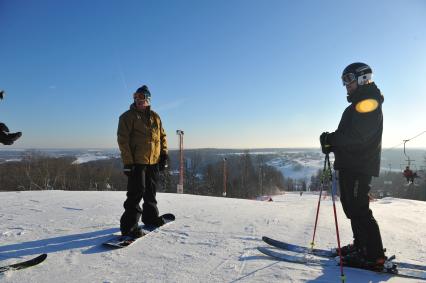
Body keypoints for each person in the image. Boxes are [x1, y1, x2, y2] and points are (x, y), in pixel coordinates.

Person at [320, 63, 386, 270]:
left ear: (363, 78)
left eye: (348, 79)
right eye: (343, 81)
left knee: (359, 209)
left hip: (359, 165)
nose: (345, 85)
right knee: (351, 208)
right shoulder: (358, 104)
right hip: (351, 164)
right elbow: (350, 135)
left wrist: (332, 139)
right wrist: (331, 142)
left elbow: (357, 136)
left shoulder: (368, 103)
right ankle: (361, 246)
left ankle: (373, 256)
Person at [117, 85, 169, 238]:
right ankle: (129, 227)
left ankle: (150, 217)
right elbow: (123, 140)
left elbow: (162, 137)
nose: (138, 100)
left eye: (141, 97)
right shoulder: (127, 117)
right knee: (136, 192)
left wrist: (164, 155)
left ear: (148, 99)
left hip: (153, 161)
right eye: (136, 97)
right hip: (136, 162)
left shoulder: (155, 117)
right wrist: (128, 163)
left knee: (150, 191)